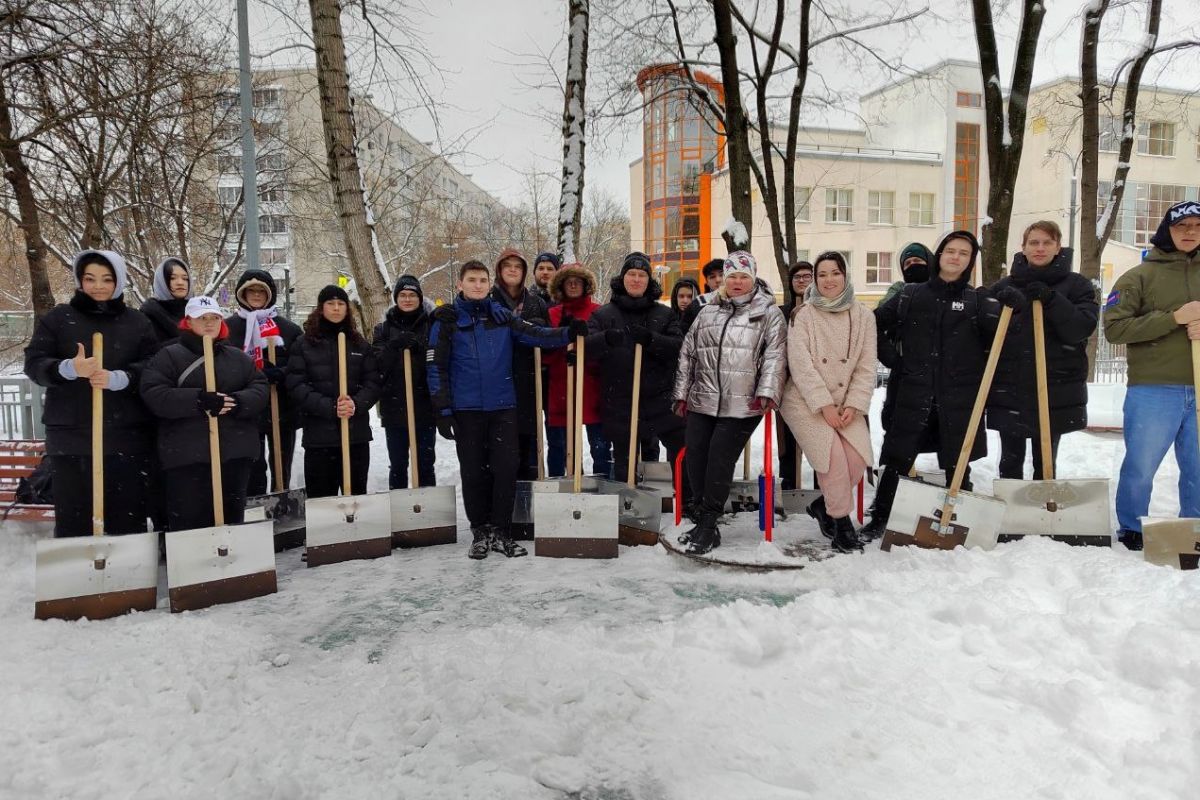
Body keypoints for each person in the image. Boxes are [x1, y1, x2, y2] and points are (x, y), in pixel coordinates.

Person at [428, 260, 586, 559]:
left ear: (490, 285)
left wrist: (568, 333)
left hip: (503, 407)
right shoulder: (446, 321)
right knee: (474, 472)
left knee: (505, 471)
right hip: (467, 409)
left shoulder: (502, 318)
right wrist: (442, 410)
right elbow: (435, 367)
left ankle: (501, 529)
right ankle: (480, 529)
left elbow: (535, 334)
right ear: (460, 285)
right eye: (472, 280)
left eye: (483, 280)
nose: (477, 285)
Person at [867, 231, 1011, 540]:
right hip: (912, 392)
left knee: (957, 459)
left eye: (964, 253)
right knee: (897, 458)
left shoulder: (976, 300)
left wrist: (1007, 309)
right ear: (940, 254)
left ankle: (959, 519)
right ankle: (881, 516)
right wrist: (894, 359)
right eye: (950, 250)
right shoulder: (911, 294)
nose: (956, 257)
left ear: (970, 261)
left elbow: (999, 343)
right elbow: (872, 324)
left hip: (957, 396)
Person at [23, 250, 158, 537]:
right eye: (90, 278)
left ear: (118, 282)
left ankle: (126, 579)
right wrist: (68, 368)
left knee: (127, 517)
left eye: (107, 279)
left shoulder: (137, 323)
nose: (99, 286)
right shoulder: (60, 319)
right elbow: (34, 363)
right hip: (72, 437)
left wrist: (123, 378)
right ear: (80, 280)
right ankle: (78, 578)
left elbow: (153, 366)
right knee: (75, 518)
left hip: (126, 436)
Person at [672, 251, 787, 554]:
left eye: (743, 276)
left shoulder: (768, 313)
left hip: (743, 404)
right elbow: (688, 354)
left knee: (719, 459)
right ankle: (701, 515)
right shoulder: (708, 310)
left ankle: (710, 524)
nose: (736, 282)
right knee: (696, 457)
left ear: (753, 279)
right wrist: (681, 393)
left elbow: (775, 356)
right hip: (703, 398)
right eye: (731, 276)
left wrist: (766, 392)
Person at [1104, 199, 1200, 550]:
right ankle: (1132, 525)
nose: (1190, 233)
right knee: (1141, 465)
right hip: (1154, 389)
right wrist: (1174, 318)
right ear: (1167, 231)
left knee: (1198, 468)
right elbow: (1114, 328)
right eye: (1181, 226)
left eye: (1197, 226)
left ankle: (1195, 529)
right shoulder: (1139, 276)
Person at [140, 296, 268, 531]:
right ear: (188, 322)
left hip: (234, 455)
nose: (209, 323)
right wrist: (197, 400)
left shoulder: (238, 358)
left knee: (231, 522)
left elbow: (259, 388)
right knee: (191, 522)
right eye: (202, 318)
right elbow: (154, 394)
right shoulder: (169, 356)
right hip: (187, 457)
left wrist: (238, 402)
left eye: (214, 318)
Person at [986, 221, 1099, 481]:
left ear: (1058, 247)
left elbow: (1080, 328)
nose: (1040, 248)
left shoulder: (1077, 286)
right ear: (1023, 248)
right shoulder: (1004, 287)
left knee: (1046, 459)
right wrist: (996, 307)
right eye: (1033, 243)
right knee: (1010, 461)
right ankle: (1011, 507)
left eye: (1047, 242)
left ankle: (1042, 509)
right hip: (1010, 388)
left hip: (1054, 387)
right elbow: (982, 328)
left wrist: (1052, 300)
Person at [780, 253, 877, 553]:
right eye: (822, 274)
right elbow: (801, 365)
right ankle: (842, 526)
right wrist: (824, 405)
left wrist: (855, 404)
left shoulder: (864, 316)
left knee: (858, 458)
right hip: (805, 400)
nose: (829, 280)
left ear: (845, 276)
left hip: (846, 400)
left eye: (835, 273)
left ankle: (823, 504)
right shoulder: (803, 315)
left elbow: (866, 365)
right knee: (832, 460)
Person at [587, 252, 687, 488]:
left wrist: (652, 340)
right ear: (622, 279)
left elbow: (679, 348)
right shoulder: (603, 315)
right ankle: (628, 505)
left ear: (648, 280)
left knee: (681, 447)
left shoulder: (664, 314)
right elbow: (587, 350)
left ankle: (687, 499)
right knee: (625, 460)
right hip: (620, 400)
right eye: (631, 274)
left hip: (659, 399)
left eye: (641, 275)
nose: (636, 279)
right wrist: (605, 339)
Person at [861, 242, 934, 537]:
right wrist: (893, 358)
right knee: (897, 447)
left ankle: (956, 504)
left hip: (946, 384)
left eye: (919, 260)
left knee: (952, 447)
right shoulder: (901, 294)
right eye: (908, 262)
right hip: (908, 381)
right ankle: (883, 510)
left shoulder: (952, 294)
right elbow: (874, 323)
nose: (913, 265)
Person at [285, 285, 380, 498]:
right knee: (322, 501)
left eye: (341, 304)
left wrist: (355, 404)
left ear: (347, 309)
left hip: (355, 436)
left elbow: (373, 383)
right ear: (321, 308)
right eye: (330, 303)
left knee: (355, 498)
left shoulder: (359, 344)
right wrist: (330, 407)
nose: (336, 308)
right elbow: (296, 385)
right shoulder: (304, 344)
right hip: (319, 438)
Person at [224, 270, 304, 496]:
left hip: (282, 407)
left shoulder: (288, 329)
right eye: (252, 290)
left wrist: (281, 373)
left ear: (270, 294)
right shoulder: (228, 329)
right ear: (242, 293)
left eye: (262, 290)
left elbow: (300, 364)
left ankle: (281, 497)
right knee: (253, 462)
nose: (257, 295)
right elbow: (222, 365)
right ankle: (256, 502)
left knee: (281, 458)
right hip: (246, 409)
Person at [544, 263, 610, 477]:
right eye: (567, 281)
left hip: (592, 389)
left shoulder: (598, 312)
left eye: (577, 280)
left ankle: (602, 489)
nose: (573, 284)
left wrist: (586, 355)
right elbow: (544, 355)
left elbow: (604, 351)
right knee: (562, 449)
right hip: (561, 389)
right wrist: (559, 337)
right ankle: (564, 487)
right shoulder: (552, 314)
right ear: (560, 286)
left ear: (586, 284)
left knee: (600, 448)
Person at [490, 247, 549, 482]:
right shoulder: (489, 301)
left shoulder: (535, 302)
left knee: (528, 445)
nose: (513, 270)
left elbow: (548, 339)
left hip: (529, 382)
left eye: (518, 267)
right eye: (508, 266)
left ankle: (528, 500)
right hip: (499, 380)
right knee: (503, 447)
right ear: (499, 270)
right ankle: (505, 498)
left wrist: (539, 329)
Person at [373, 275, 437, 490]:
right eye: (403, 295)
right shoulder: (383, 329)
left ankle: (428, 509)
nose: (407, 299)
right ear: (396, 298)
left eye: (412, 295)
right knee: (398, 464)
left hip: (425, 406)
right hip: (394, 408)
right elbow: (378, 364)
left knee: (426, 463)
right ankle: (399, 512)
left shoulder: (431, 326)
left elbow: (438, 357)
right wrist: (394, 346)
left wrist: (421, 345)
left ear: (419, 298)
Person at [777, 261, 813, 490]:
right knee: (787, 441)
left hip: (816, 384)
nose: (801, 280)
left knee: (818, 439)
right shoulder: (782, 312)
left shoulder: (823, 310)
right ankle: (788, 486)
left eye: (807, 276)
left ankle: (822, 489)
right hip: (788, 384)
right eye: (797, 277)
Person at [140, 257, 192, 346]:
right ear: (161, 282)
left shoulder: (195, 310)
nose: (180, 282)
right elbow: (150, 352)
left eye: (185, 278)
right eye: (173, 278)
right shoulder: (149, 314)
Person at [680, 258, 727, 332]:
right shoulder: (697, 305)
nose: (718, 280)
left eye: (721, 275)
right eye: (712, 277)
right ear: (707, 282)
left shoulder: (744, 300)